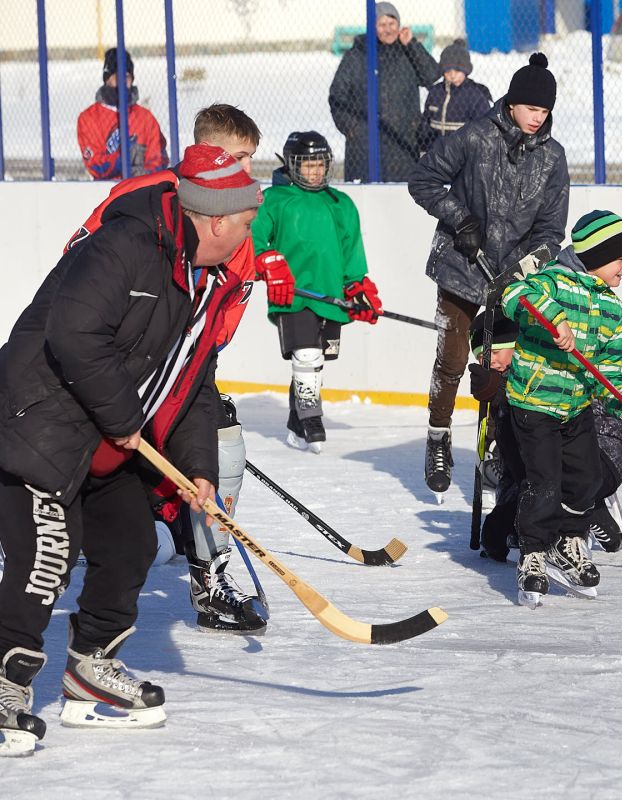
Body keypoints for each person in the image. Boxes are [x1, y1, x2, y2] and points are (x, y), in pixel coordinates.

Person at [0, 144, 261, 754]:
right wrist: (124, 419)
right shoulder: (125, 246)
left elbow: (194, 378)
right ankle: (4, 684)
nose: (252, 232)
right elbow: (73, 334)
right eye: (247, 222)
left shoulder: (205, 277)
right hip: (42, 425)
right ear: (217, 221)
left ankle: (90, 669)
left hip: (106, 435)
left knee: (132, 545)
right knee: (46, 559)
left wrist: (198, 469)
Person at [67, 103, 291, 635]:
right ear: (205, 151)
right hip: (131, 363)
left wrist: (265, 265)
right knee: (84, 472)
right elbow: (83, 263)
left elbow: (226, 278)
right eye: (237, 157)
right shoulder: (150, 196)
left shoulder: (231, 204)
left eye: (249, 160)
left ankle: (209, 580)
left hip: (190, 360)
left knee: (219, 455)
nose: (244, 170)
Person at [409, 52, 569, 500]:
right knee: (455, 357)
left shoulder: (553, 159)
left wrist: (522, 268)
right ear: (512, 103)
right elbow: (422, 179)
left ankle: (498, 444)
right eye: (531, 108)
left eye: (545, 110)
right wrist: (460, 220)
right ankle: (438, 437)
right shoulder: (476, 136)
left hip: (512, 278)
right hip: (462, 266)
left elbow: (552, 231)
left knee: (506, 364)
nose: (537, 118)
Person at [498, 210, 622, 607]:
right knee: (544, 481)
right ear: (598, 254)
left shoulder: (613, 310)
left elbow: (609, 372)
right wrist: (553, 317)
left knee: (585, 479)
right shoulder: (552, 283)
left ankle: (569, 541)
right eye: (621, 258)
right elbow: (514, 296)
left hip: (576, 405)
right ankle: (533, 551)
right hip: (534, 402)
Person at [252, 130, 383, 453]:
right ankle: (312, 418)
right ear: (292, 165)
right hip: (293, 295)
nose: (314, 171)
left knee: (314, 361)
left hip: (330, 296)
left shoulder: (341, 204)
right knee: (306, 355)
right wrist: (266, 260)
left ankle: (297, 423)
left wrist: (357, 288)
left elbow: (351, 252)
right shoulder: (274, 200)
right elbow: (255, 241)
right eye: (307, 165)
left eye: (319, 165)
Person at [469, 314, 622, 564]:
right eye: (483, 360)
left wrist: (504, 394)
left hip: (596, 457)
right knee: (495, 537)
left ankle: (588, 507)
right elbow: (515, 460)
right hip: (543, 470)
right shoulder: (505, 380)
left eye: (496, 354)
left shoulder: (547, 366)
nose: (492, 364)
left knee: (558, 487)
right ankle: (580, 509)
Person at [328, 2, 439, 182]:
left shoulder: (408, 51)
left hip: (403, 142)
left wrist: (412, 44)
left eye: (391, 24)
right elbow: (337, 97)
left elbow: (432, 76)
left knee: (402, 198)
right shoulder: (357, 55)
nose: (388, 30)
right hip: (365, 146)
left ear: (399, 25)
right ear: (373, 28)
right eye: (382, 24)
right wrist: (353, 129)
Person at [76, 47, 167, 180]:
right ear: (107, 79)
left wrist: (141, 174)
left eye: (127, 77)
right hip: (106, 191)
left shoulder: (145, 117)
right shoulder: (88, 118)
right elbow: (95, 166)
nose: (123, 82)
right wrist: (123, 159)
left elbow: (159, 159)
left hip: (140, 189)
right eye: (117, 77)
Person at [416, 38, 493, 153]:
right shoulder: (436, 92)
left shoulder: (475, 95)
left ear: (466, 70)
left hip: (464, 153)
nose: (452, 76)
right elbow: (426, 121)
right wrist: (424, 146)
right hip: (437, 152)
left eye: (457, 71)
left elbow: (485, 127)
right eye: (448, 71)